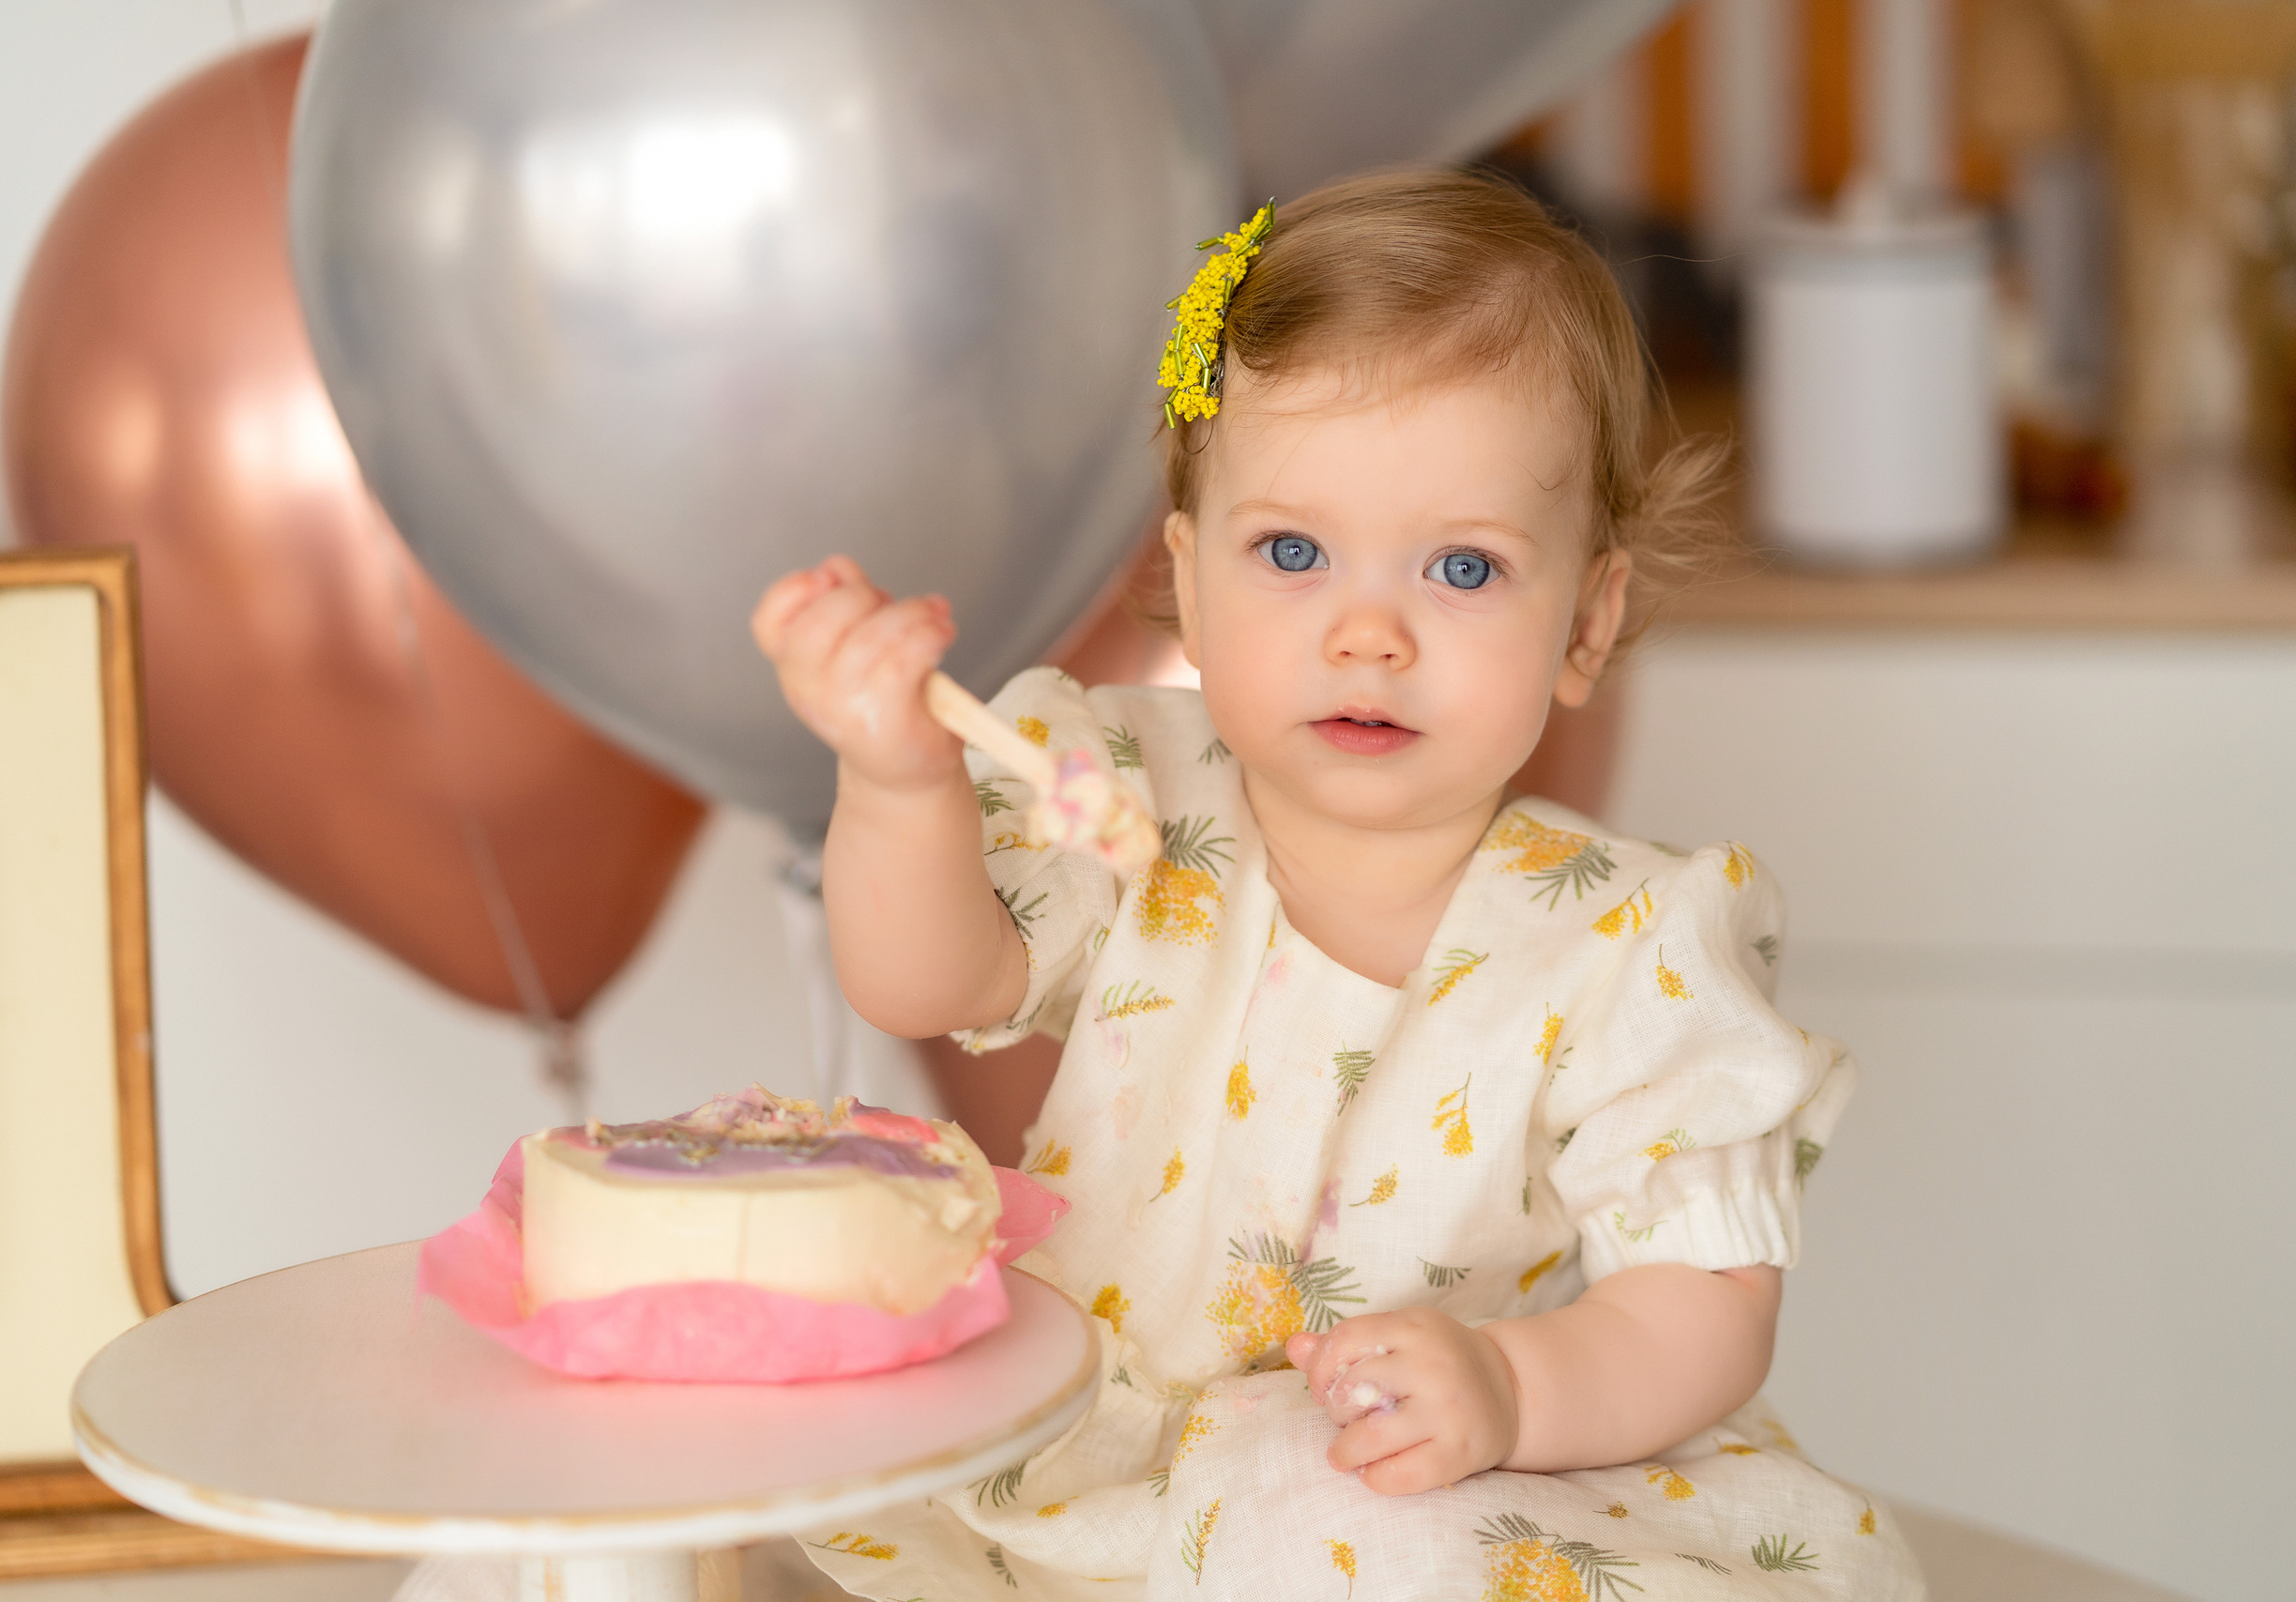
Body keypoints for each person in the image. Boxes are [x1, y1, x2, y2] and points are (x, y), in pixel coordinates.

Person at [753, 169, 1923, 1602]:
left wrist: (1508, 1385)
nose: (1369, 633)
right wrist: (896, 783)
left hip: (1421, 1478)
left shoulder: (1632, 946)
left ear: (1587, 620)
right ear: (1187, 577)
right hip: (1104, 1456)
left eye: (1464, 568)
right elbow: (928, 980)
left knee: (1356, 1526)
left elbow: (1703, 1311)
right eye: (1293, 552)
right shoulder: (1128, 800)